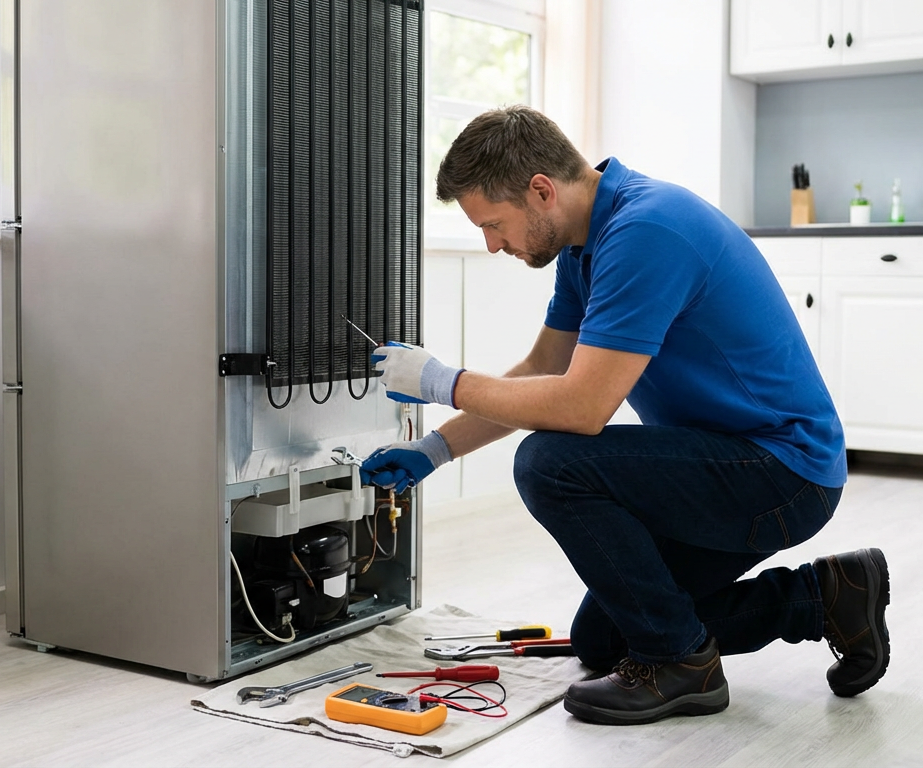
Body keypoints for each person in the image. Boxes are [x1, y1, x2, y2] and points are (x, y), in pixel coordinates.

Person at [360, 106, 889, 726]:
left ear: (540, 191)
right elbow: (541, 370)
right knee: (605, 640)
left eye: (494, 224)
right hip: (724, 460)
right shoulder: (586, 248)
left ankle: (683, 665)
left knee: (550, 462)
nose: (492, 244)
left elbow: (580, 408)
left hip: (780, 471)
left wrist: (439, 382)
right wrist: (434, 450)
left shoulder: (647, 232)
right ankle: (824, 598)